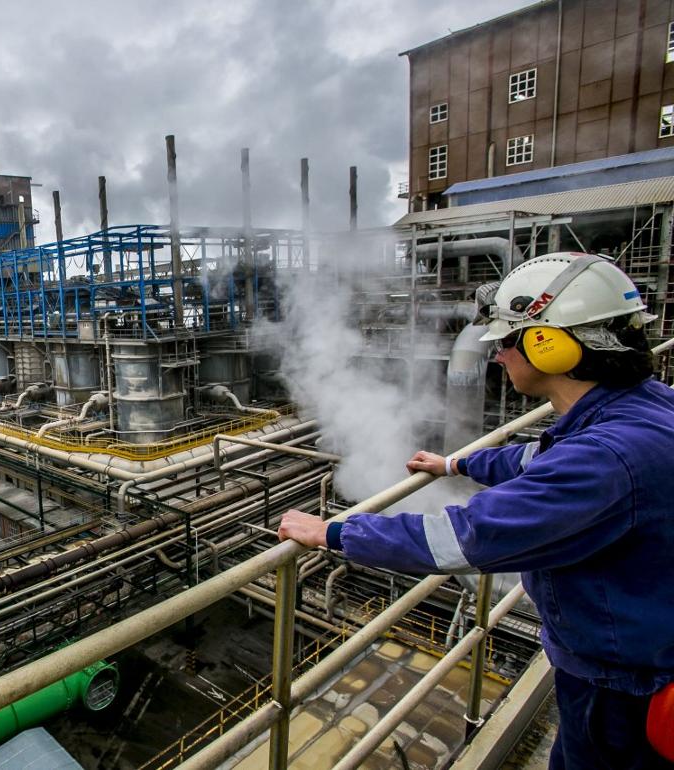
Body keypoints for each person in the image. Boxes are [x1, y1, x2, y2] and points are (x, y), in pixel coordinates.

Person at [278, 252, 674, 769]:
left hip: (623, 687)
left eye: (509, 342)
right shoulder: (641, 407)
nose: (498, 356)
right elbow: (542, 456)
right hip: (637, 651)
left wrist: (334, 532)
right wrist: (457, 464)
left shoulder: (606, 457)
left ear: (550, 346)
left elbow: (464, 539)